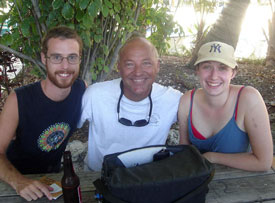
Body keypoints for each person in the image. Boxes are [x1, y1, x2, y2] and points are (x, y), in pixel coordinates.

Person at [0, 26, 86, 201]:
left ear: (79, 60)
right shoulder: (19, 100)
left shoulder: (81, 89)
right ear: (43, 58)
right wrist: (19, 182)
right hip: (13, 181)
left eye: (72, 57)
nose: (65, 66)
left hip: (52, 180)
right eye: (56, 57)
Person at [78, 36, 182, 171]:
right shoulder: (95, 95)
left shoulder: (173, 99)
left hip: (149, 179)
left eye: (146, 63)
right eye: (129, 64)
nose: (138, 72)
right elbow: (63, 126)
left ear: (157, 66)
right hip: (99, 178)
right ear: (118, 66)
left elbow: (208, 116)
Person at [178, 41, 273, 171]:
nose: (214, 76)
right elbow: (183, 152)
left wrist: (213, 157)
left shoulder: (248, 99)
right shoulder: (187, 100)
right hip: (197, 180)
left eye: (222, 67)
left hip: (242, 183)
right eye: (207, 66)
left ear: (233, 73)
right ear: (197, 70)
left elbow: (264, 162)